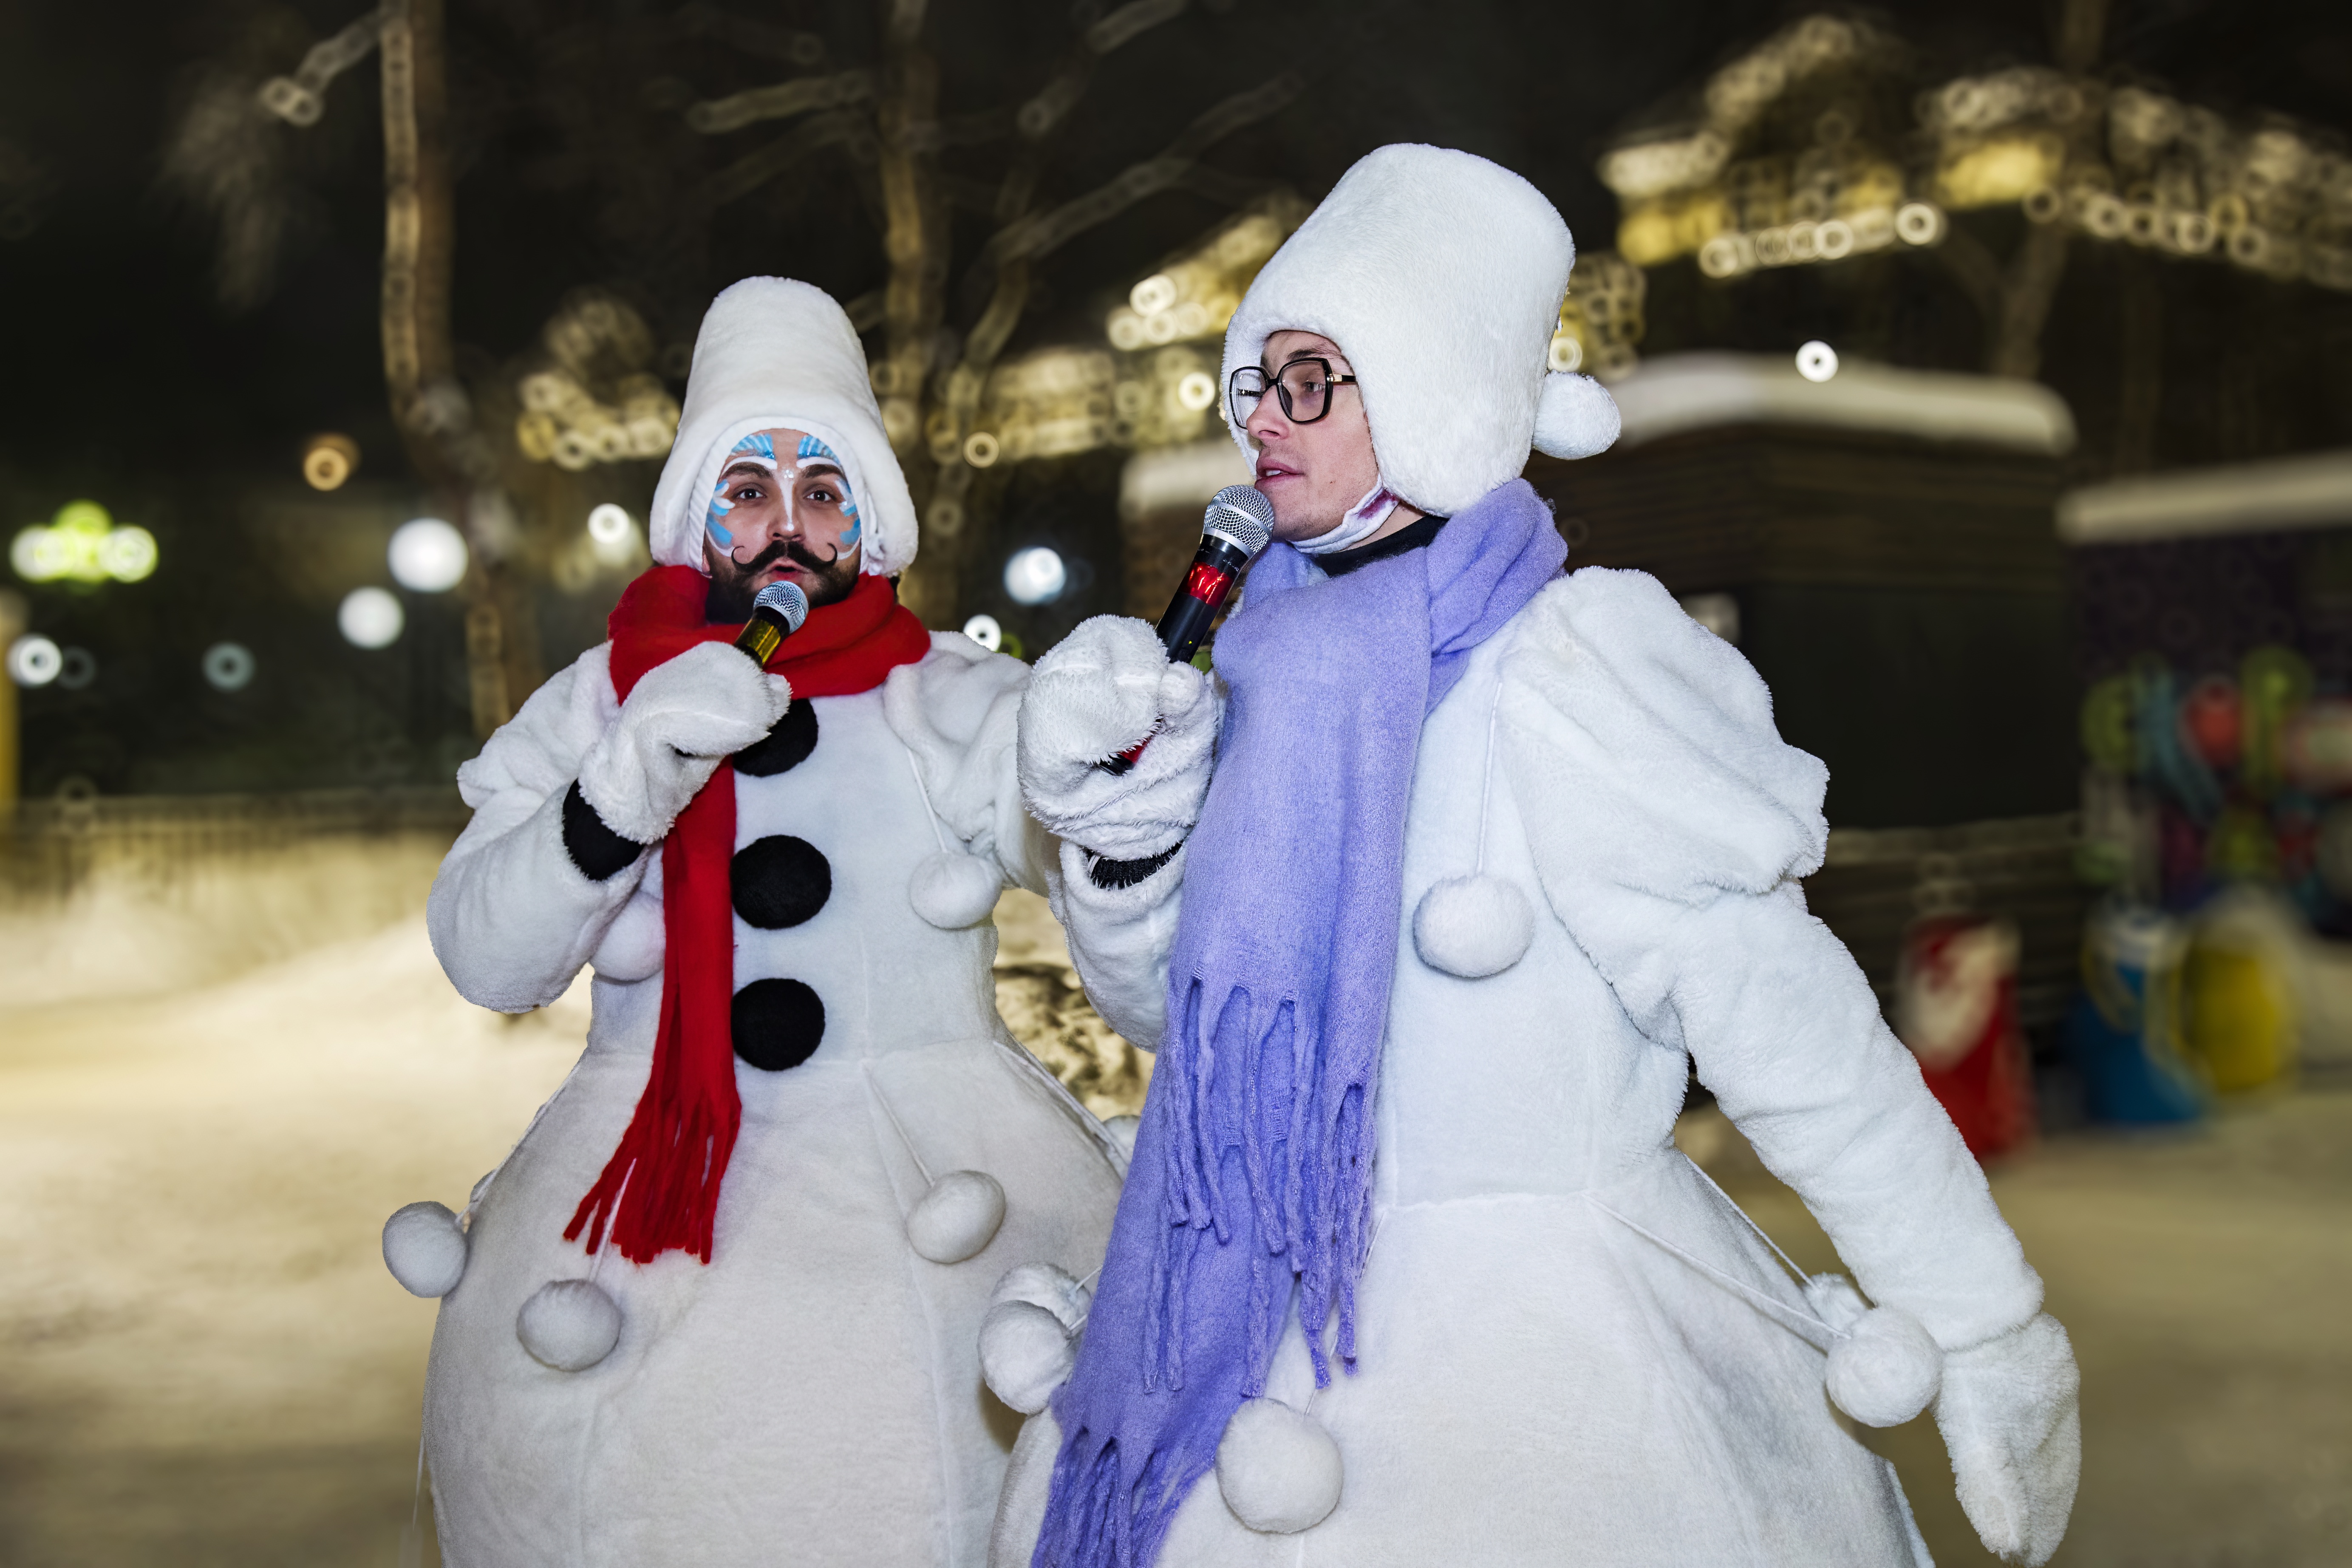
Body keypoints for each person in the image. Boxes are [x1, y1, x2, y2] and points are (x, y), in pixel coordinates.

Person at [998, 145, 2080, 1567]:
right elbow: (1186, 1027)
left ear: (1436, 395)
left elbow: (1793, 1030)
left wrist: (1984, 1324)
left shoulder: (1574, 674)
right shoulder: (1243, 665)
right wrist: (1126, 850)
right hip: (1250, 1321)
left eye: (1311, 376)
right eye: (1255, 377)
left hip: (1553, 1392)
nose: (1261, 416)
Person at [408, 277, 1123, 1568]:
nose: (787, 523)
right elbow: (483, 950)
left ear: (870, 517)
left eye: (823, 488)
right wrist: (611, 798)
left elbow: (1057, 824)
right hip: (629, 1208)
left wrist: (1109, 773)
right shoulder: (597, 698)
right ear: (697, 514)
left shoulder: (945, 694)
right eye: (747, 486)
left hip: (935, 1194)